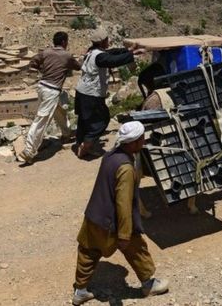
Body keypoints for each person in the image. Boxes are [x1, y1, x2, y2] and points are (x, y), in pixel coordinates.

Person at [72, 121, 169, 305]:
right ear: (133, 142)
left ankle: (80, 291)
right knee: (137, 249)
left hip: (94, 216)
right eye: (141, 138)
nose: (144, 141)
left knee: (88, 251)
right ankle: (148, 285)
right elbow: (123, 204)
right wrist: (125, 234)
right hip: (112, 223)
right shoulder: (125, 168)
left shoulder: (109, 156)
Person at [74, 27, 143, 158]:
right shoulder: (100, 57)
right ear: (102, 41)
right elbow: (113, 60)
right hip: (91, 94)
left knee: (84, 120)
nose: (108, 41)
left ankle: (81, 143)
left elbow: (112, 52)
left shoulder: (92, 51)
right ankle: (86, 145)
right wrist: (132, 55)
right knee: (102, 119)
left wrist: (128, 50)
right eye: (107, 39)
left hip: (81, 92)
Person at [19, 31, 81, 164]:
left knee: (59, 111)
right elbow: (78, 67)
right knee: (42, 120)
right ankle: (29, 150)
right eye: (67, 41)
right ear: (64, 42)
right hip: (51, 91)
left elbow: (33, 61)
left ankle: (66, 133)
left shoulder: (46, 52)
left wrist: (42, 69)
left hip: (42, 87)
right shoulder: (67, 55)